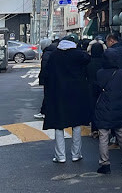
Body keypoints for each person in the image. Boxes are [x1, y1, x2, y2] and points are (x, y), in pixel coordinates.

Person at [43, 34, 91, 163]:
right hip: (76, 93)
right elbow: (88, 59)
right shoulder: (79, 55)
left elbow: (47, 74)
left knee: (59, 124)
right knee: (76, 123)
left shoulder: (54, 55)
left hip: (58, 94)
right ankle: (76, 154)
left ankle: (60, 156)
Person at [94, 48, 122, 174]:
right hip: (119, 105)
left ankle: (104, 163)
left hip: (104, 107)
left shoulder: (100, 73)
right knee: (121, 133)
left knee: (103, 135)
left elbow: (97, 88)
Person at [86, 40, 106, 139]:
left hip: (91, 88)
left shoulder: (88, 62)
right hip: (103, 87)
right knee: (104, 108)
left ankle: (94, 130)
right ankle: (104, 129)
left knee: (93, 109)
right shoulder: (105, 62)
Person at [34, 37, 57, 120]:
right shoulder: (54, 51)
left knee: (47, 95)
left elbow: (44, 67)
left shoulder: (47, 53)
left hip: (49, 78)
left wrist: (42, 78)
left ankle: (44, 112)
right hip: (55, 77)